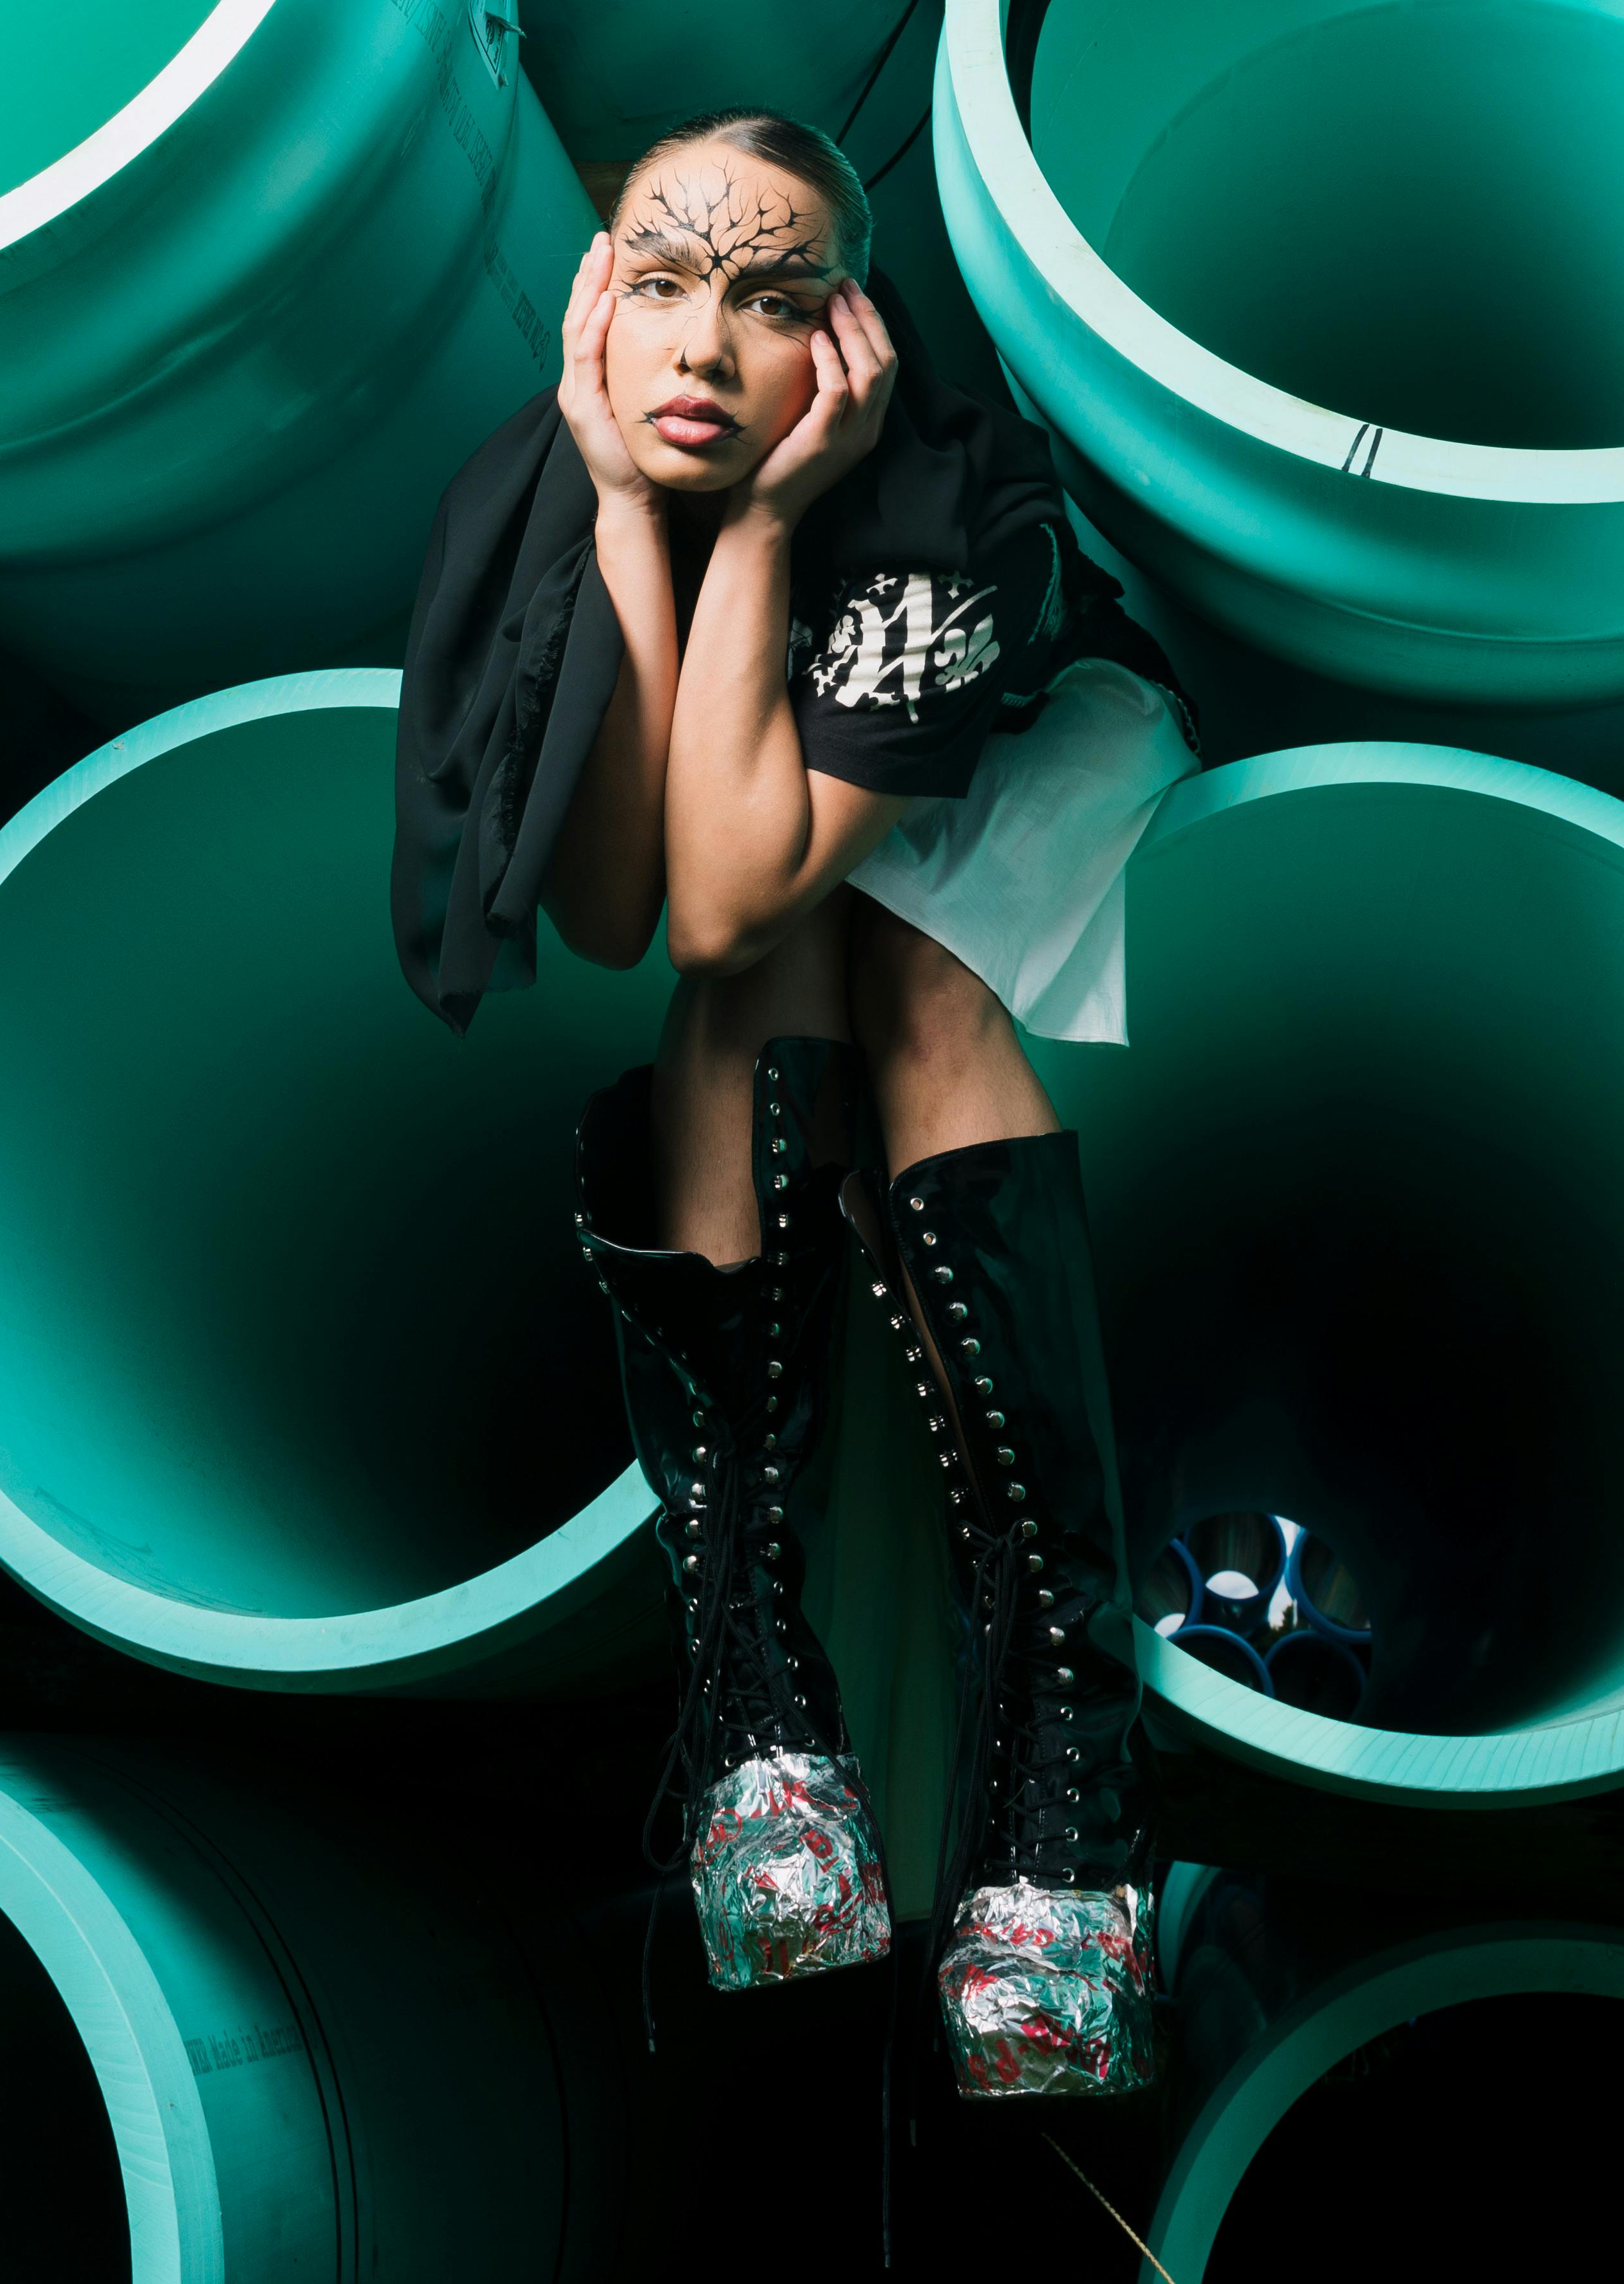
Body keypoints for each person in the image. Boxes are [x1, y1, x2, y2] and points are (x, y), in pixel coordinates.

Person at [393, 109, 1198, 2100]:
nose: (699, 346)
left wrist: (759, 529)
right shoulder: (556, 486)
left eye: (767, 302)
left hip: (1016, 754)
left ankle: (1065, 1774)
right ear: (597, 303)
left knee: (906, 972)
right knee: (736, 975)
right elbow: (617, 905)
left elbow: (733, 875)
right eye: (659, 284)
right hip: (763, 780)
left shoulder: (939, 498)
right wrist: (620, 518)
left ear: (841, 342)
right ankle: (758, 1703)